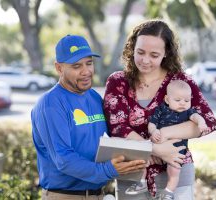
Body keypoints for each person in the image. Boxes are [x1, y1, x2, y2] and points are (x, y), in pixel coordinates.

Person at [31, 34, 185, 200]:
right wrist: (109, 170)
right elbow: (64, 159)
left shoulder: (94, 98)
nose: (86, 71)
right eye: (76, 66)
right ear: (59, 68)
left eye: (89, 63)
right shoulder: (51, 104)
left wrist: (144, 153)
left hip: (97, 194)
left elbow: (112, 139)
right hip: (65, 195)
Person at [103, 19, 216, 200]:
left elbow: (208, 121)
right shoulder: (118, 82)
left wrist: (164, 133)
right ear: (132, 48)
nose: (145, 60)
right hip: (132, 174)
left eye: (154, 55)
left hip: (176, 173)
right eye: (140, 52)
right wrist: (154, 149)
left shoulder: (181, 82)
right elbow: (117, 127)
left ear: (166, 53)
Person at [125, 80, 210, 199]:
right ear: (167, 100)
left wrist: (201, 123)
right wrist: (153, 131)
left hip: (176, 153)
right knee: (143, 161)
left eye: (187, 100)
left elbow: (197, 117)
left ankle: (169, 191)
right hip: (155, 150)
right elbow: (152, 123)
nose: (182, 103)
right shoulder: (161, 110)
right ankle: (141, 183)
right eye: (178, 100)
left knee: (175, 171)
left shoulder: (188, 113)